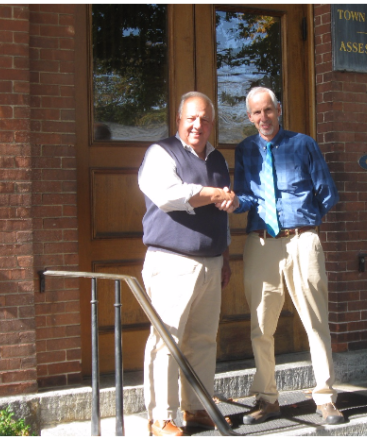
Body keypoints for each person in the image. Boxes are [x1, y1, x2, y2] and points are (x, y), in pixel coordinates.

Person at [218, 86, 346, 425]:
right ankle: (268, 398)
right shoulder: (245, 149)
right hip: (261, 242)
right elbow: (246, 195)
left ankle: (325, 397)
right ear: (250, 117)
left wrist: (302, 219)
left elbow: (326, 193)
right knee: (261, 326)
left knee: (316, 322)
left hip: (302, 239)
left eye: (268, 110)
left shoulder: (303, 144)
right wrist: (235, 203)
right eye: (256, 113)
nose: (263, 118)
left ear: (279, 109)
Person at [138, 91, 235, 436]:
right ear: (178, 120)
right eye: (191, 118)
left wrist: (224, 256)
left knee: (204, 339)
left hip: (210, 263)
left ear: (211, 124)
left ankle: (196, 409)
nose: (198, 125)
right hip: (172, 262)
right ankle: (160, 418)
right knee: (166, 340)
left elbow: (223, 214)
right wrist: (211, 194)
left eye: (205, 119)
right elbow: (168, 195)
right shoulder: (161, 153)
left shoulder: (218, 160)